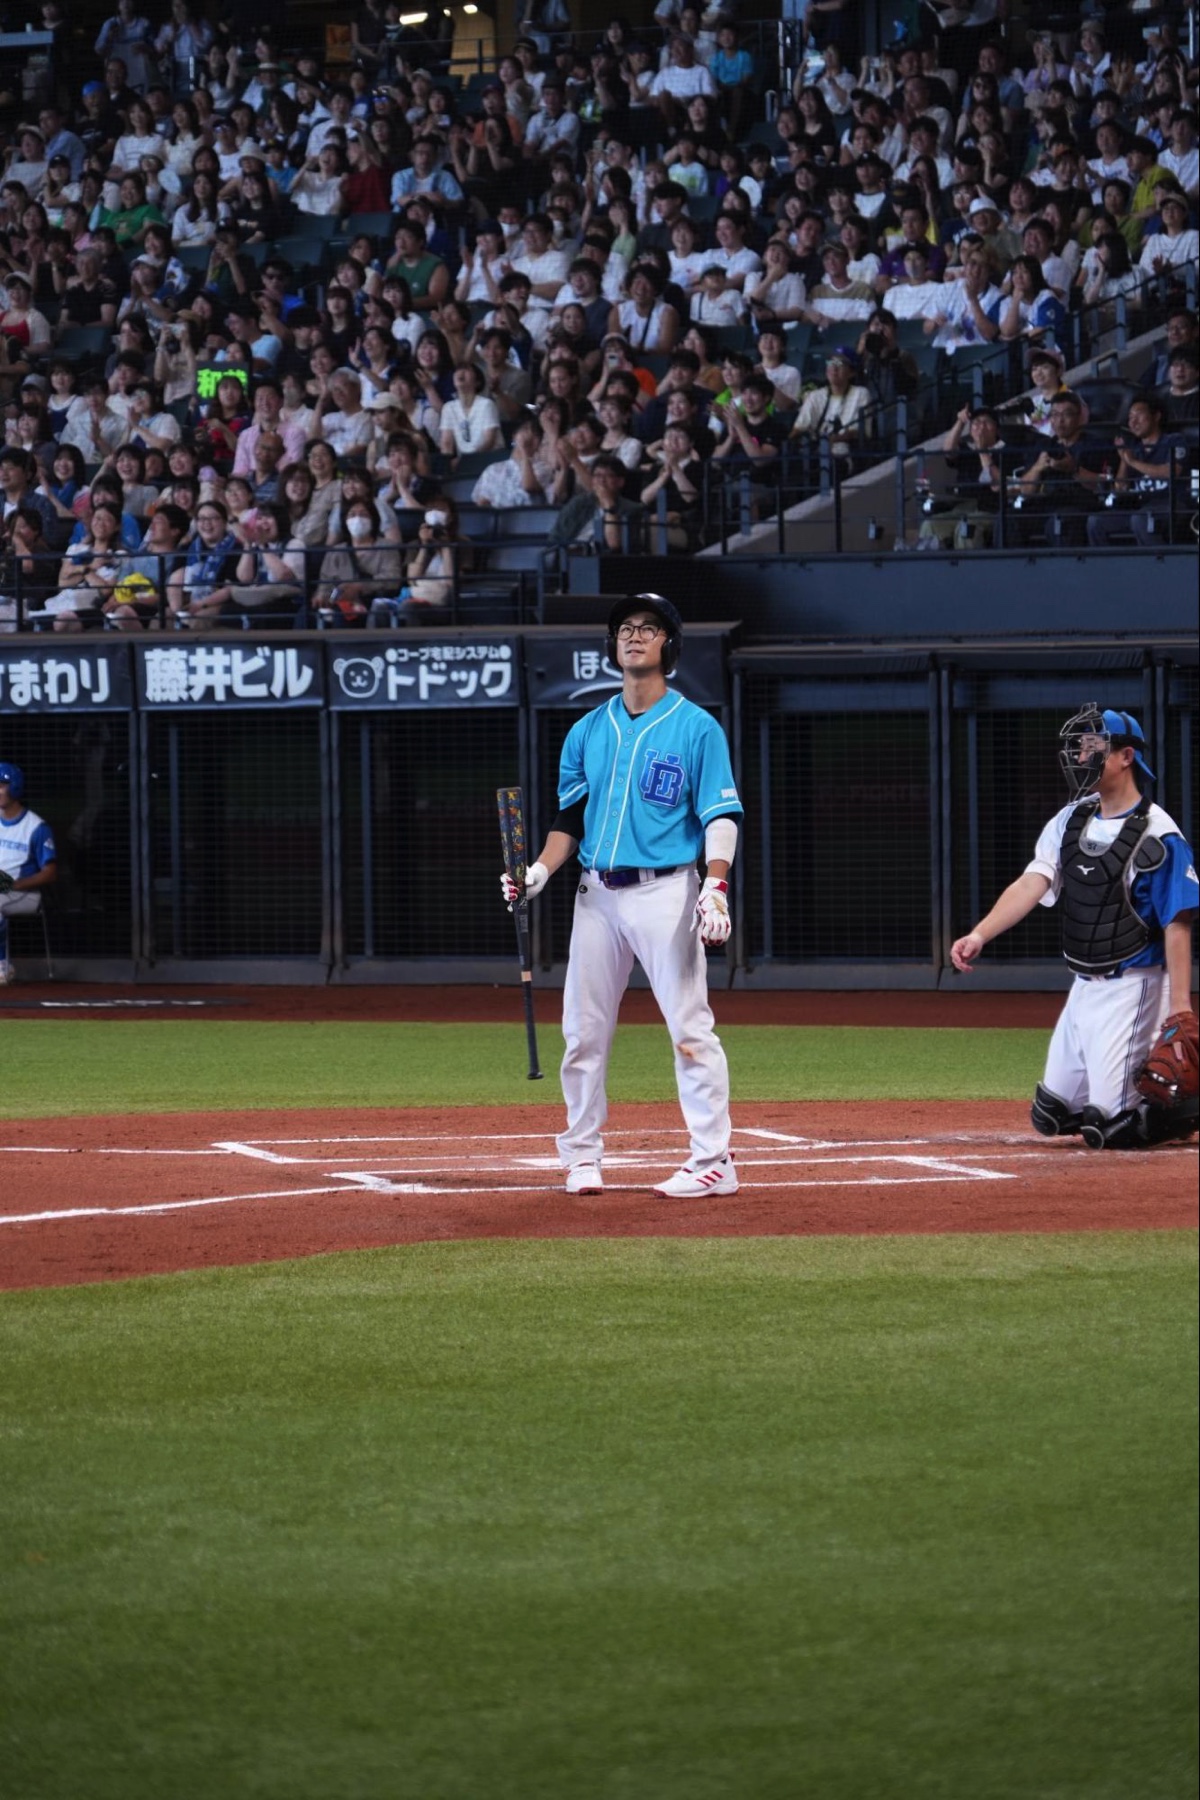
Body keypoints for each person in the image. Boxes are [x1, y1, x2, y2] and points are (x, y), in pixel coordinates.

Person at [500, 593, 744, 1197]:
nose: (634, 636)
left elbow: (721, 814)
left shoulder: (696, 727)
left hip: (666, 891)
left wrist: (715, 885)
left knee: (690, 1029)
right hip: (596, 896)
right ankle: (582, 1156)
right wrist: (538, 873)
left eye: (649, 628)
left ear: (668, 646)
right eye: (626, 628)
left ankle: (714, 1161)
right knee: (582, 1033)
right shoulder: (587, 729)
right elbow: (570, 818)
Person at [951, 705, 1198, 1150]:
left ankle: (1182, 1111)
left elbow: (1178, 922)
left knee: (1112, 1128)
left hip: (1135, 985)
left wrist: (1179, 1009)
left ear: (1125, 757)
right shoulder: (1071, 819)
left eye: (1091, 748)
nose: (1080, 757)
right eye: (1079, 748)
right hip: (1084, 986)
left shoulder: (1159, 835)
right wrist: (980, 933)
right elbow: (1033, 881)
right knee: (1052, 1113)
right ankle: (1128, 1095)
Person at [0, 762, 56, 984]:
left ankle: (2, 964)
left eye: (2, 785)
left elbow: (50, 872)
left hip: (26, 891)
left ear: (15, 787)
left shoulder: (36, 827)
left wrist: (16, 885)